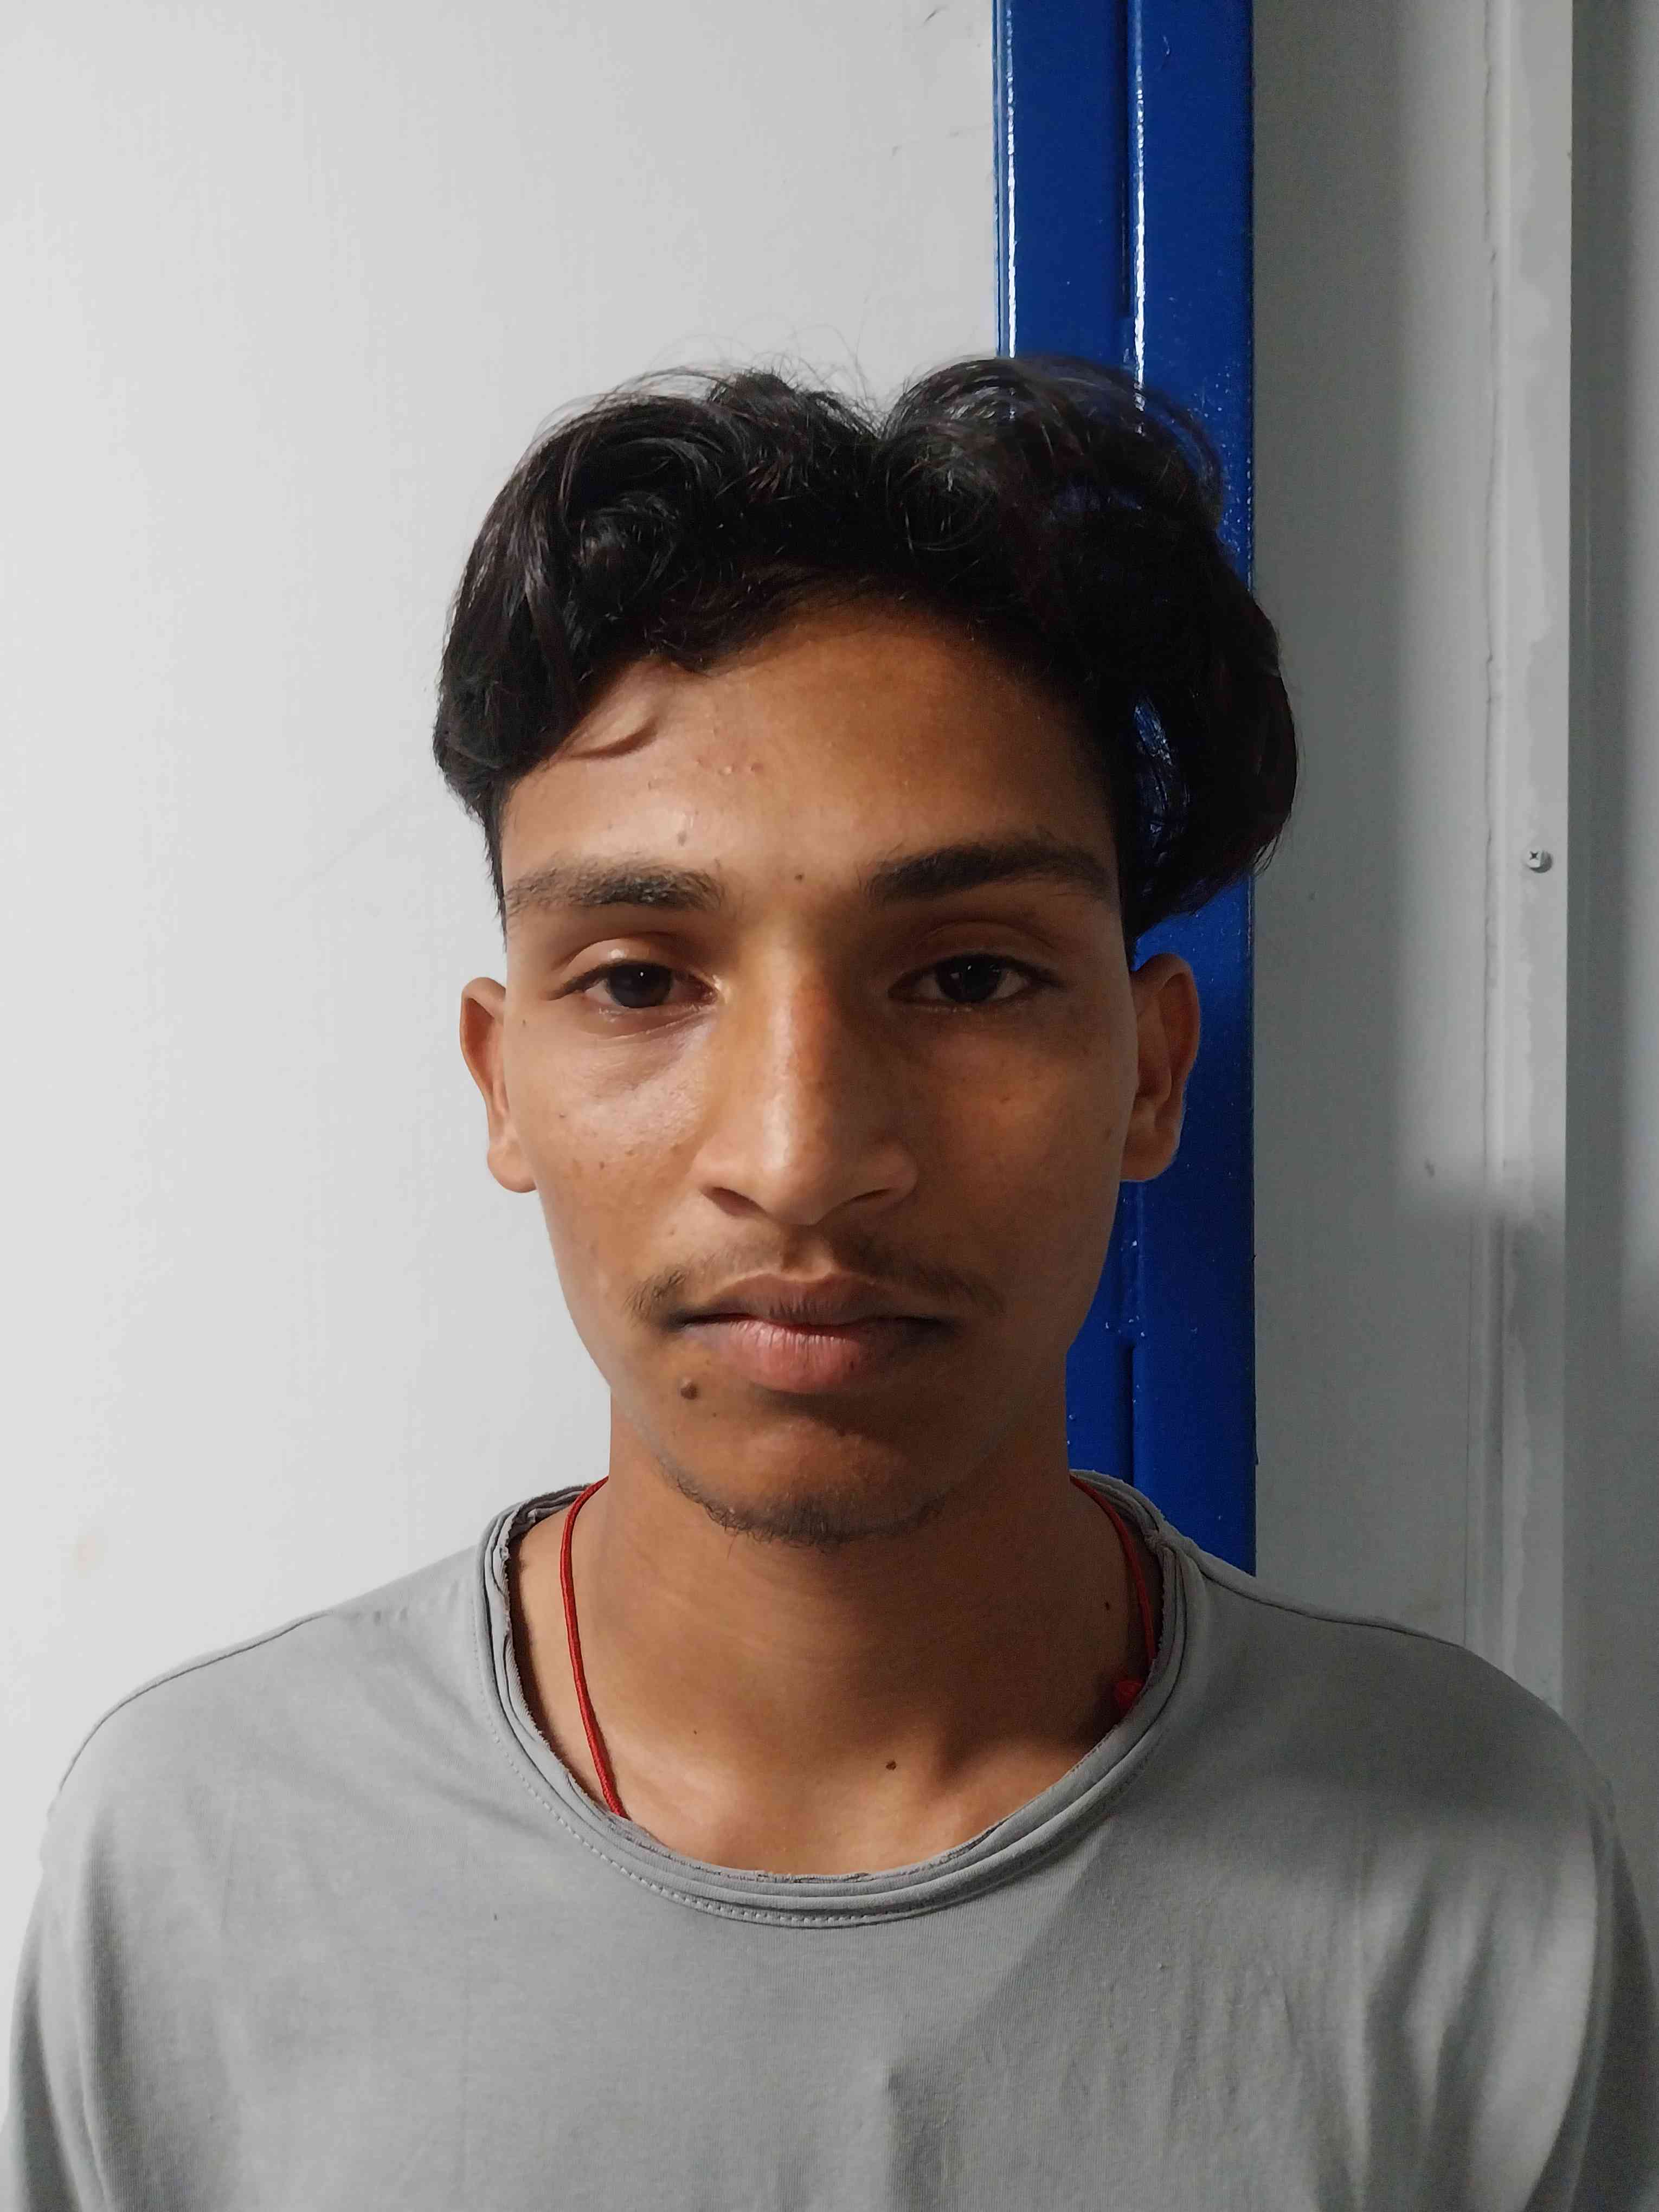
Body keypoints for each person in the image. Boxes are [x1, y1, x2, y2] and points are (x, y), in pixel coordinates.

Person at [4, 357, 1654, 2209]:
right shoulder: (200, 1853)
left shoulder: (1473, 1858)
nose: (798, 1158)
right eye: (640, 980)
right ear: (502, 1083)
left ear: (1148, 1074)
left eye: (966, 977)